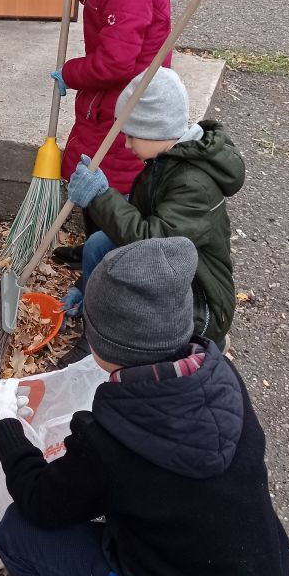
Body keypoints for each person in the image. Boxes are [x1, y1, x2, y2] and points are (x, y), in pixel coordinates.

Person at [0, 237, 289, 576]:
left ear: (105, 344)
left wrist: (3, 425)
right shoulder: (218, 373)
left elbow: (39, 500)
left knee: (18, 535)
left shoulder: (113, 443)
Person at [50, 0, 185, 265]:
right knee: (94, 175)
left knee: (109, 183)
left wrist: (70, 72)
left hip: (126, 107)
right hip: (108, 101)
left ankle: (111, 262)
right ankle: (96, 248)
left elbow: (116, 62)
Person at [59, 67, 245, 363]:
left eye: (133, 135)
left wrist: (101, 196)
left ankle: (199, 345)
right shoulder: (163, 164)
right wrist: (86, 287)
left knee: (131, 315)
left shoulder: (193, 184)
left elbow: (153, 244)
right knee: (99, 244)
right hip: (169, 272)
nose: (127, 144)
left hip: (198, 300)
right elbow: (133, 230)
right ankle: (94, 325)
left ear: (157, 130)